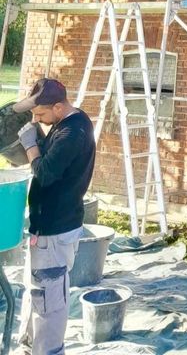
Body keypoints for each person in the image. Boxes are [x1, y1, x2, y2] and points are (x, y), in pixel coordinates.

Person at [14, 77, 96, 355]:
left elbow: (46, 172)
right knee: (36, 291)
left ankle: (48, 351)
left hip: (55, 229)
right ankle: (28, 347)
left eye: (40, 114)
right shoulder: (66, 123)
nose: (37, 119)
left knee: (49, 300)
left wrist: (29, 146)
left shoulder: (73, 133)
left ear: (59, 107)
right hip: (47, 227)